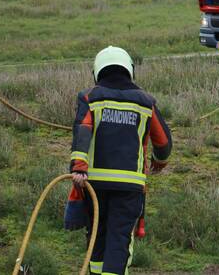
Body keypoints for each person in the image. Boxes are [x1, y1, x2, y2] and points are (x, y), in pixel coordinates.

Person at [70, 46, 172, 275]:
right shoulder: (145, 101)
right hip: (129, 188)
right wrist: (159, 161)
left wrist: (79, 167)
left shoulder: (90, 97)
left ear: (98, 70)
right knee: (119, 240)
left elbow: (83, 130)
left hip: (93, 185)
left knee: (97, 236)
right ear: (130, 70)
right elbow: (163, 143)